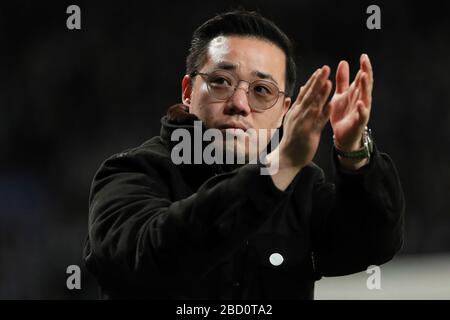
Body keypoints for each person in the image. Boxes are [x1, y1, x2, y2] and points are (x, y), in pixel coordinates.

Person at [84, 10, 405, 299]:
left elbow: (372, 243)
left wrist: (354, 152)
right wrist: (275, 171)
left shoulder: (300, 184)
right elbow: (148, 260)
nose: (239, 103)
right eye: (221, 82)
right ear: (187, 91)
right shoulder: (131, 172)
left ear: (284, 112)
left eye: (261, 90)